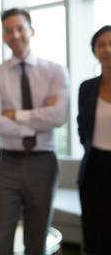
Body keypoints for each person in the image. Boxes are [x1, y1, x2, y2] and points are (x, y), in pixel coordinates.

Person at [0, 8, 69, 255]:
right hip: (6, 164)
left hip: (43, 164)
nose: (15, 34)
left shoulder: (55, 71)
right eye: (8, 30)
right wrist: (41, 117)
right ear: (3, 36)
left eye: (20, 28)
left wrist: (15, 115)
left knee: (36, 242)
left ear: (31, 30)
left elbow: (59, 116)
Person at [77, 25, 111, 255]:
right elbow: (82, 127)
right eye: (101, 44)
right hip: (94, 169)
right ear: (94, 51)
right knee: (95, 236)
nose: (107, 49)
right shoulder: (87, 88)